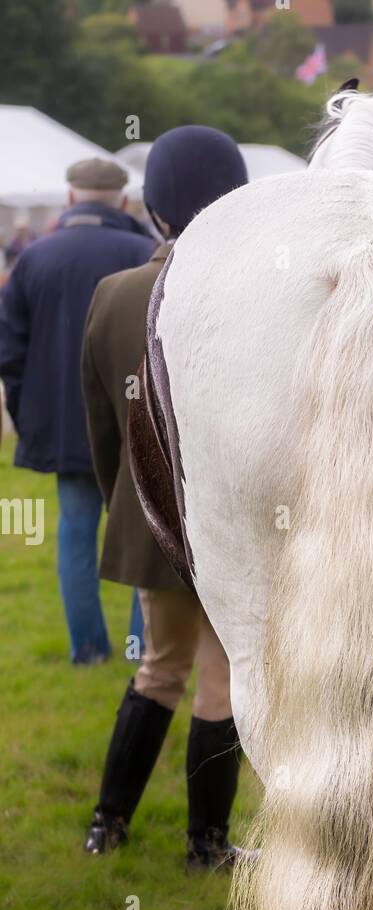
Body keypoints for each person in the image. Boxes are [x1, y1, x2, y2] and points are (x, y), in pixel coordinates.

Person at [80, 126, 249, 867]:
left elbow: (103, 432)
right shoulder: (255, 293)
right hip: (239, 524)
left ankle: (106, 826)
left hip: (151, 516)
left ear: (152, 208)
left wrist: (128, 503)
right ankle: (205, 845)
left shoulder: (115, 294)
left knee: (158, 668)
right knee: (221, 679)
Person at [0, 159, 153, 664]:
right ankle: (142, 652)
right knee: (144, 537)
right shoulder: (144, 254)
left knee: (75, 528)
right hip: (136, 419)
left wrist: (27, 420)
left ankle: (87, 651)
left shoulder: (33, 258)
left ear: (69, 200)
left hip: (65, 425)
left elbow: (10, 353)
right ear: (123, 202)